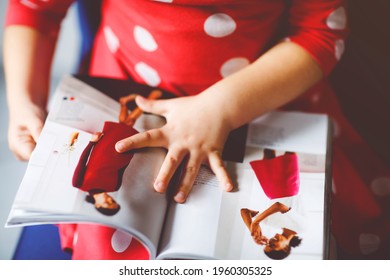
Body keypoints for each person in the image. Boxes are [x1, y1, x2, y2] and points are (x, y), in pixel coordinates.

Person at [3, 0, 389, 259]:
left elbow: (322, 30)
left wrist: (221, 107)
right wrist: (23, 103)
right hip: (131, 96)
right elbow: (33, 10)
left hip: (260, 98)